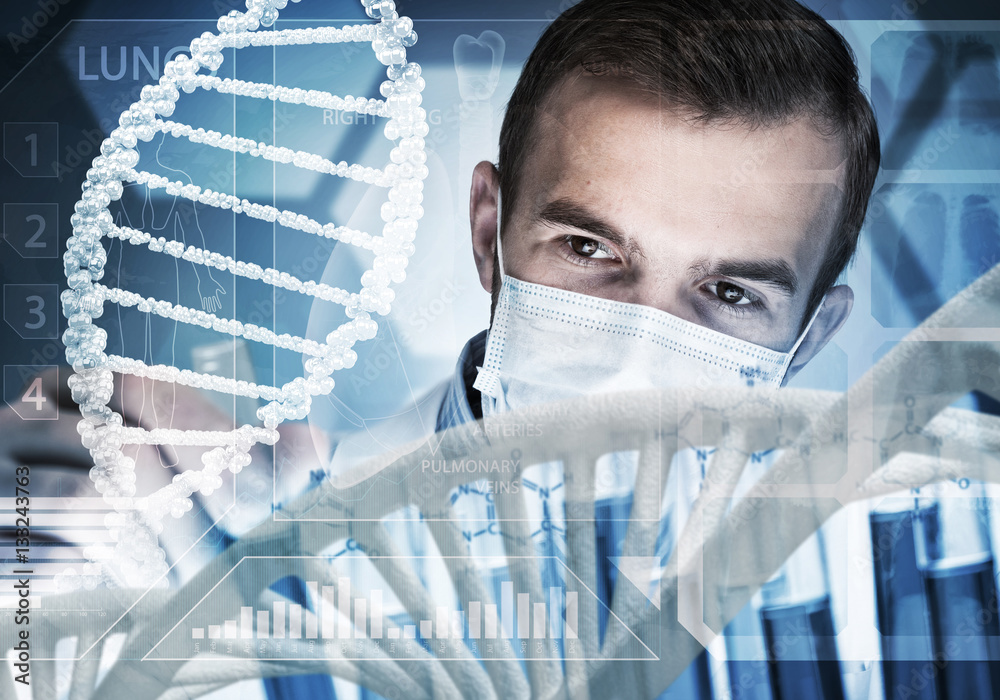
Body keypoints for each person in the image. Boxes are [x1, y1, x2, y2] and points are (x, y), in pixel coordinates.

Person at [0, 0, 879, 698]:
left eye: (730, 294)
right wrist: (28, 599)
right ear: (489, 230)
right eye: (589, 250)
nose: (636, 361)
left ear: (808, 339)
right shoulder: (253, 555)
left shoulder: (893, 614)